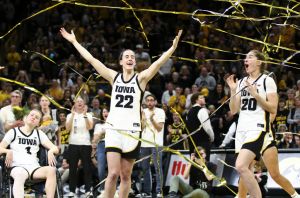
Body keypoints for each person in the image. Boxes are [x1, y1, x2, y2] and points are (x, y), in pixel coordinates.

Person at [60, 27, 182, 198]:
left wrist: (172, 48)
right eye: (127, 57)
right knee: (113, 174)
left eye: (133, 57)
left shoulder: (141, 79)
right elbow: (92, 59)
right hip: (114, 130)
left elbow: (158, 63)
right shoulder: (113, 77)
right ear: (121, 62)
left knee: (126, 176)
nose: (130, 59)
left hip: (132, 132)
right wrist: (74, 42)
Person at [226, 50, 300, 198]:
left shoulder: (267, 80)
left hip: (261, 131)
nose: (246, 59)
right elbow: (234, 110)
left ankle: (295, 196)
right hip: (242, 131)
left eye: (250, 57)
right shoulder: (240, 82)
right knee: (244, 169)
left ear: (259, 62)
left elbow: (273, 109)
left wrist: (255, 94)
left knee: (273, 173)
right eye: (245, 57)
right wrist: (233, 91)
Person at [0, 109, 59, 198]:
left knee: (51, 170)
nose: (33, 118)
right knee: (20, 173)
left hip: (34, 167)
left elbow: (55, 148)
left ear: (38, 123)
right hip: (18, 166)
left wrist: (51, 151)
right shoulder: (14, 132)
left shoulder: (39, 134)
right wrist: (7, 151)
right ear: (26, 118)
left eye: (37, 117)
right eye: (32, 115)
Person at [65, 96, 94, 197]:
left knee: (87, 168)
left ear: (84, 104)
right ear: (74, 104)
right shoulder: (69, 115)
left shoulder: (89, 114)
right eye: (77, 101)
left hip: (85, 144)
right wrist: (73, 115)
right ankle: (72, 190)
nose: (79, 103)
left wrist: (85, 115)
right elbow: (67, 129)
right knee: (72, 168)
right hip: (73, 143)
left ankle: (88, 190)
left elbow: (90, 127)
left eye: (81, 101)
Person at [138, 94, 166, 197]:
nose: (149, 102)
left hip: (156, 144)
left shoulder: (160, 111)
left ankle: (159, 191)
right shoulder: (143, 112)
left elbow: (159, 128)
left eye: (151, 100)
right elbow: (141, 127)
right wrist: (143, 118)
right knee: (145, 168)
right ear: (145, 102)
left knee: (158, 167)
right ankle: (147, 191)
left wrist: (152, 119)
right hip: (144, 143)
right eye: (148, 101)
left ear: (155, 102)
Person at [185, 93, 214, 160]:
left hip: (192, 142)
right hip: (203, 142)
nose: (204, 99)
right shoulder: (202, 110)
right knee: (204, 165)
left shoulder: (189, 112)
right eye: (201, 98)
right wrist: (212, 137)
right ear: (196, 101)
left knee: (194, 164)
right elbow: (208, 128)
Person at [92, 107, 109, 196]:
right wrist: (101, 134)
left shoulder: (115, 123)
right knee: (101, 168)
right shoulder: (98, 125)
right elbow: (95, 140)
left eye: (107, 111)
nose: (105, 113)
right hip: (101, 145)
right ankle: (102, 189)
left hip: (112, 145)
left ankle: (113, 189)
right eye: (103, 112)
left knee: (112, 169)